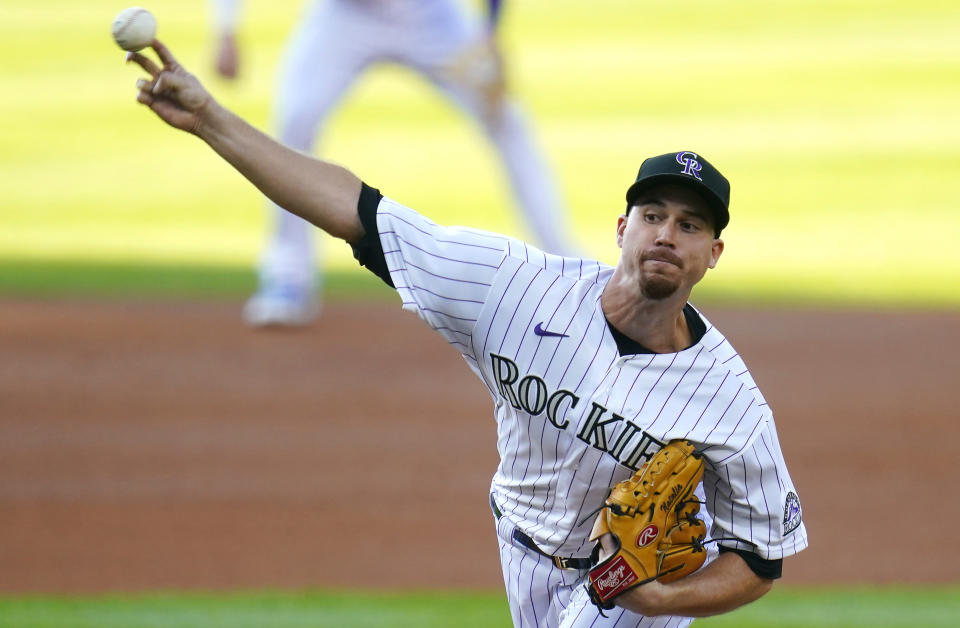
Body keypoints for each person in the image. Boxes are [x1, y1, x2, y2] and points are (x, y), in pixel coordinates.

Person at [126, 40, 808, 627]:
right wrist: (211, 121)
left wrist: (661, 599)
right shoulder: (513, 287)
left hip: (629, 587)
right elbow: (357, 212)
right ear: (620, 228)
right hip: (519, 549)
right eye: (653, 214)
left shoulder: (730, 403)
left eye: (690, 226)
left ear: (712, 254)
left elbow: (758, 559)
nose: (667, 234)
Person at [209, 0, 577, 327]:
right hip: (343, 17)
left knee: (507, 122)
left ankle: (568, 268)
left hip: (433, 17)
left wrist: (489, 31)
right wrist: (226, 27)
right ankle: (287, 275)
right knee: (295, 119)